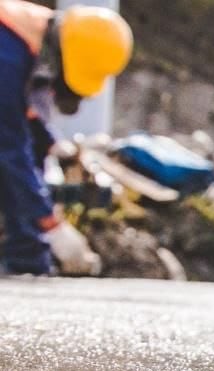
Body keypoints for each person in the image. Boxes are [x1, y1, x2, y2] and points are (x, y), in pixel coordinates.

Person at [0, 0, 132, 276]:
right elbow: (9, 144)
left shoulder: (35, 36)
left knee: (31, 149)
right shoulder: (7, 53)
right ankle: (27, 251)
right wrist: (51, 225)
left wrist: (52, 142)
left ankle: (27, 256)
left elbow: (23, 116)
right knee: (15, 158)